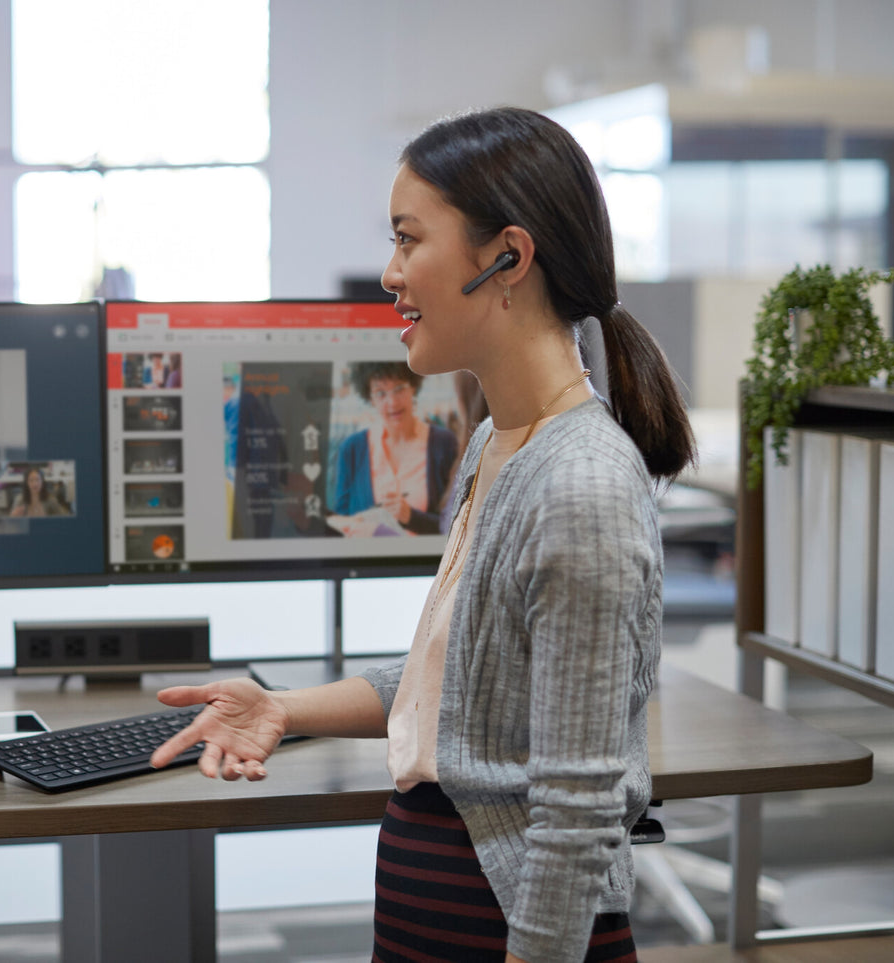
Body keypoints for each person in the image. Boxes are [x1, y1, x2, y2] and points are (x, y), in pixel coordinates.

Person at [150, 106, 694, 963]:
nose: (389, 272)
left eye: (409, 240)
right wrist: (283, 707)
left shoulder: (580, 482)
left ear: (506, 257)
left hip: (508, 926)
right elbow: (468, 674)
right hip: (436, 904)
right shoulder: (496, 440)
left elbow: (578, 807)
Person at [331, 361, 458, 535]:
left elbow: (458, 525)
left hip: (427, 561)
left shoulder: (444, 443)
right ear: (370, 398)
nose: (392, 402)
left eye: (399, 388)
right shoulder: (351, 449)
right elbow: (339, 524)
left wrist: (411, 517)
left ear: (413, 387)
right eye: (381, 393)